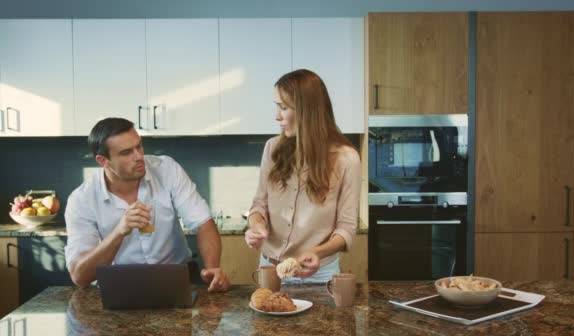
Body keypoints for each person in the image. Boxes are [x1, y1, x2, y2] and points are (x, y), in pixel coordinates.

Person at [64, 118, 230, 291]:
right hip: (120, 285)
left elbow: (203, 222)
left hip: (178, 277)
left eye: (139, 146)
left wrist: (212, 268)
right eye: (126, 152)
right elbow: (79, 276)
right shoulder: (81, 200)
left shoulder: (166, 169)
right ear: (103, 161)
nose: (138, 157)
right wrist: (119, 232)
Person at [245, 69, 361, 284]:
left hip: (318, 274)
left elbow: (346, 228)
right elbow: (258, 205)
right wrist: (257, 226)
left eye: (283, 107)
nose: (276, 116)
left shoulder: (347, 159)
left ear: (307, 111)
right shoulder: (272, 148)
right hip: (270, 269)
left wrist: (318, 251)